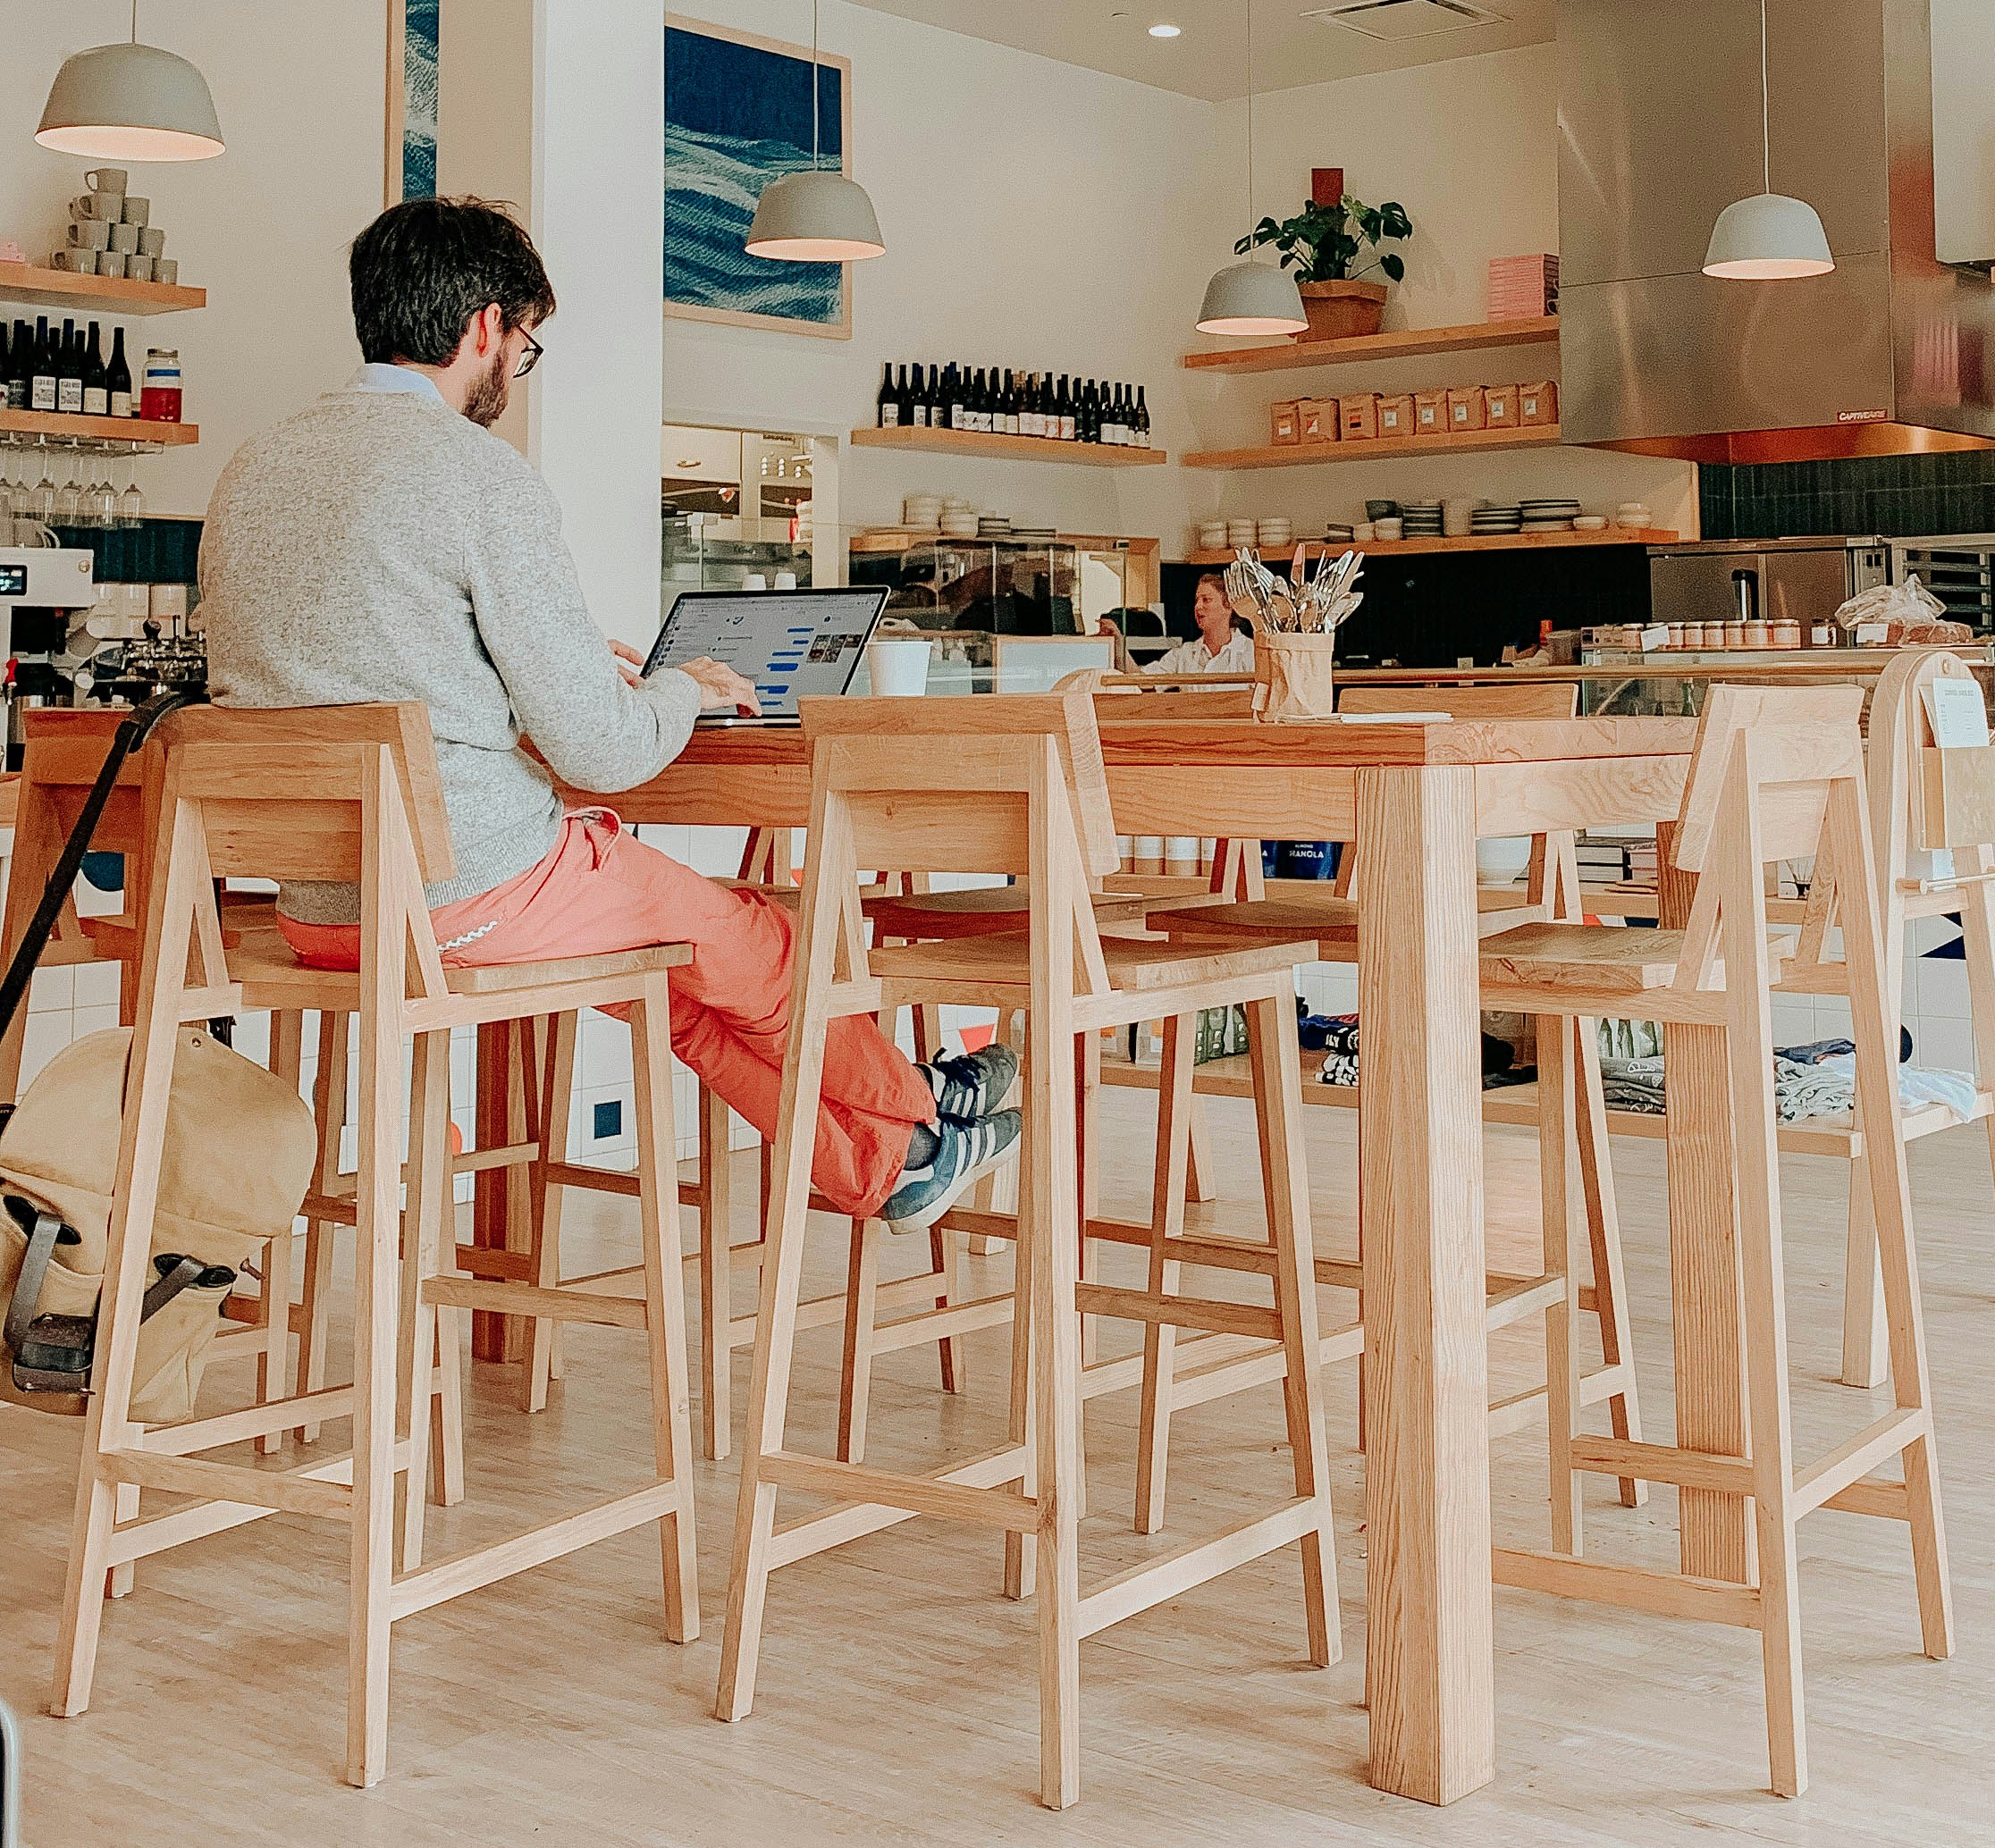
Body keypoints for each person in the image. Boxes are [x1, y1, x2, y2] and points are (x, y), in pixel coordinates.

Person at [198, 197, 1015, 1226]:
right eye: (524, 345)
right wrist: (682, 685)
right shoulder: (477, 475)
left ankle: (890, 1166)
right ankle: (924, 1105)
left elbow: (356, 666)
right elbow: (605, 749)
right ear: (486, 325)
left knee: (681, 983)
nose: (514, 373)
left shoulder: (251, 470)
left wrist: (561, 668)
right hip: (467, 893)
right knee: (761, 938)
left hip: (320, 914)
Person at [1144, 568, 1255, 680]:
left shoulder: (1250, 652)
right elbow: (1144, 680)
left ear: (1229, 606)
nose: (1198, 606)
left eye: (1206, 599)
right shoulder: (1184, 654)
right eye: (1197, 600)